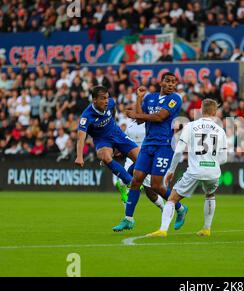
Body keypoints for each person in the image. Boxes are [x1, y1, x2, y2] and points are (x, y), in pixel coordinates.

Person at [113, 72, 187, 231]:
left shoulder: (175, 99)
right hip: (148, 145)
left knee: (156, 185)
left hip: (164, 145)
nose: (171, 84)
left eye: (174, 82)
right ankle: (128, 218)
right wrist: (139, 98)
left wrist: (135, 113)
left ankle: (180, 208)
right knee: (136, 179)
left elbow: (160, 117)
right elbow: (139, 119)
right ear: (161, 82)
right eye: (168, 81)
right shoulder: (150, 98)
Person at [148, 99, 228, 237]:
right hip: (213, 172)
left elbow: (179, 150)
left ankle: (163, 230)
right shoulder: (220, 130)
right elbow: (224, 158)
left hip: (195, 171)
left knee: (172, 198)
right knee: (210, 195)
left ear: (201, 109)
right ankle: (206, 229)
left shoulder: (191, 126)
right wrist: (211, 163)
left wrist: (171, 170)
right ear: (215, 112)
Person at [75, 85, 139, 203]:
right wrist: (79, 156)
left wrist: (113, 122)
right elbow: (81, 137)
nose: (106, 101)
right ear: (94, 100)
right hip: (102, 140)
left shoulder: (110, 103)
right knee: (105, 156)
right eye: (103, 98)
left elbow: (113, 111)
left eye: (107, 98)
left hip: (117, 133)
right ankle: (128, 180)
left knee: (141, 158)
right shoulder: (86, 116)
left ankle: (122, 182)